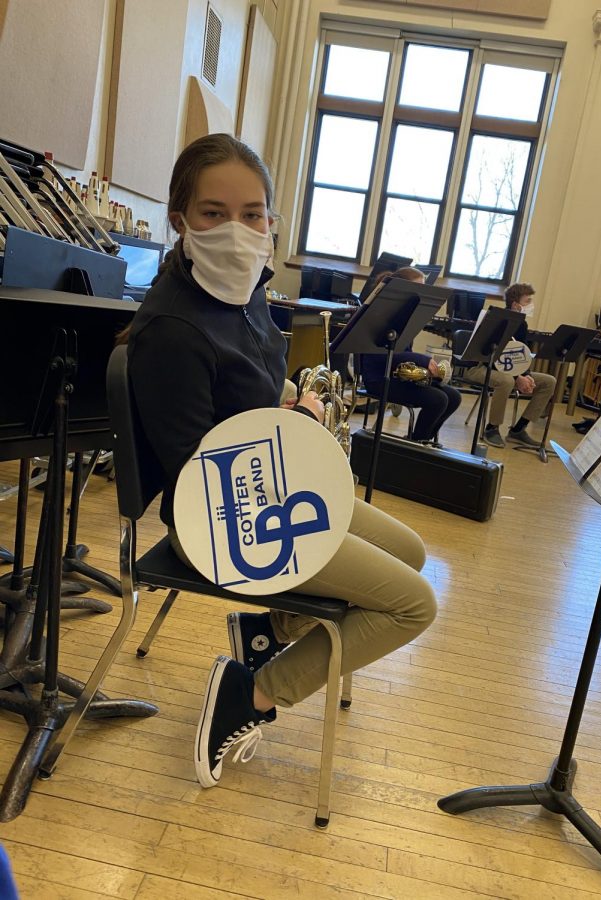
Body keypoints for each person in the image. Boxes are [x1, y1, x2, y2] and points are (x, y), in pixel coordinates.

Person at [124, 134, 436, 788]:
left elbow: (249, 398)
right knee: (412, 606)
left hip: (271, 490)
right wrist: (291, 425)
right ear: (180, 221)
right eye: (213, 213)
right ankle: (254, 693)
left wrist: (289, 400)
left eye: (253, 212)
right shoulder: (174, 329)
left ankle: (274, 627)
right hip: (221, 524)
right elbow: (196, 476)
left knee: (408, 552)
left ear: (271, 219)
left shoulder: (246, 297)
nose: (237, 229)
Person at [359, 267, 461, 446]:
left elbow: (404, 353)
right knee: (438, 399)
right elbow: (383, 356)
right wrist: (423, 360)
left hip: (398, 376)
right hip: (379, 379)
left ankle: (424, 440)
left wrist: (422, 370)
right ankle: (415, 443)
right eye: (419, 288)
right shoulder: (379, 315)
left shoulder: (407, 316)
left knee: (454, 396)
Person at [463, 282, 556, 449]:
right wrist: (516, 376)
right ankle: (492, 428)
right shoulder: (496, 321)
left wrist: (525, 374)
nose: (531, 305)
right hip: (481, 367)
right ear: (515, 304)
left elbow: (522, 354)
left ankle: (518, 429)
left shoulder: (522, 324)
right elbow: (489, 355)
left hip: (510, 370)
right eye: (528, 301)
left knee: (549, 381)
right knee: (507, 381)